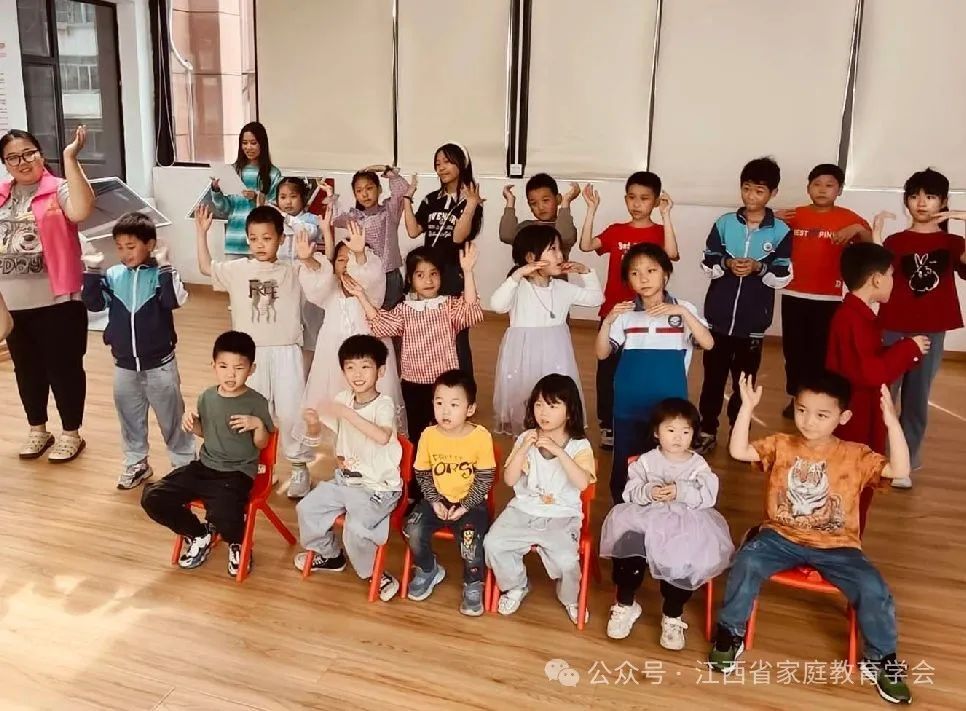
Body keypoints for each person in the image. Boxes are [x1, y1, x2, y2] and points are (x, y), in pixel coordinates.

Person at [710, 371, 914, 706]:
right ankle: (730, 633)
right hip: (780, 536)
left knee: (873, 587)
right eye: (802, 410)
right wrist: (746, 407)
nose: (809, 421)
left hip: (838, 546)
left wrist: (892, 424)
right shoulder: (781, 444)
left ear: (843, 417)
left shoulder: (856, 454)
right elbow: (739, 451)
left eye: (822, 415)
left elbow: (900, 471)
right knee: (746, 561)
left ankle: (881, 658)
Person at [195, 204, 325, 499]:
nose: (259, 244)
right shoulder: (237, 269)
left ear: (280, 238)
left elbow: (320, 272)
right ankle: (253, 465)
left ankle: (299, 467)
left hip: (286, 352)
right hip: (249, 357)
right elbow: (205, 267)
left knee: (291, 411)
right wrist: (201, 233)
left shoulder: (293, 269)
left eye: (267, 238)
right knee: (250, 411)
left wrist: (309, 249)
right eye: (253, 238)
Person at [599, 398, 733, 649]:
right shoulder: (646, 461)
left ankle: (672, 614)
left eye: (685, 431)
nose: (678, 437)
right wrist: (649, 491)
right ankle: (626, 603)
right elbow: (630, 492)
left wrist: (681, 491)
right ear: (656, 432)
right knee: (627, 547)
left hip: (685, 523)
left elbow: (708, 497)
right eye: (671, 430)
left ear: (694, 434)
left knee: (683, 559)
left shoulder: (698, 465)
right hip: (645, 517)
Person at [141, 331, 274, 578]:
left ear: (251, 369)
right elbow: (206, 432)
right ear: (213, 365)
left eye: (239, 368)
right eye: (223, 366)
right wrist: (194, 425)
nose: (231, 374)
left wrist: (257, 425)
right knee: (153, 496)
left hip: (237, 472)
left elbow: (262, 443)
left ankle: (237, 542)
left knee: (223, 513)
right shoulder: (207, 397)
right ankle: (198, 534)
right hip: (204, 467)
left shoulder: (257, 402)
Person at [0, 126, 94, 462]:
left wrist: (71, 157)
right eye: (13, 157)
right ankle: (37, 428)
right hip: (13, 303)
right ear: (5, 163)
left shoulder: (59, 189)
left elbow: (81, 210)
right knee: (26, 370)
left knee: (64, 369)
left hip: (57, 301)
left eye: (28, 153)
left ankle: (71, 433)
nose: (22, 161)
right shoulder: (1, 196)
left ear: (40, 153)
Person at [81, 212, 195, 489]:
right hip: (124, 365)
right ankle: (137, 463)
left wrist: (165, 265)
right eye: (120, 247)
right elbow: (94, 304)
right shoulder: (113, 275)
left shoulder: (163, 275)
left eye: (131, 247)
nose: (124, 253)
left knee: (171, 418)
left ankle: (184, 465)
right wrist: (92, 271)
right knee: (130, 418)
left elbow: (172, 301)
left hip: (161, 365)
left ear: (150, 244)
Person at [596, 243, 714, 504]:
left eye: (651, 270)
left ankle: (662, 512)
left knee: (666, 461)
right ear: (628, 280)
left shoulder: (683, 308)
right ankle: (624, 509)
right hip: (628, 404)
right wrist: (608, 321)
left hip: (670, 408)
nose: (644, 278)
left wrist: (682, 313)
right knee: (626, 462)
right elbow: (602, 353)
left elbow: (708, 343)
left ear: (666, 274)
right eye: (635, 273)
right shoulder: (625, 313)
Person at [293, 335, 403, 602]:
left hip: (378, 488)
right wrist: (312, 424)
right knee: (307, 509)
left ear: (381, 371)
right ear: (343, 372)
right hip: (346, 481)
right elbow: (320, 437)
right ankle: (331, 555)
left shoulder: (384, 404)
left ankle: (376, 574)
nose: (357, 374)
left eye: (365, 366)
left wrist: (346, 413)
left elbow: (382, 436)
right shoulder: (343, 398)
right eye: (350, 367)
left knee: (355, 530)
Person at [696, 157, 792, 454]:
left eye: (759, 191)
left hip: (752, 325)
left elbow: (782, 275)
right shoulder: (724, 223)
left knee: (744, 383)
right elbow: (708, 261)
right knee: (712, 381)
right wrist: (726, 263)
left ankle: (739, 433)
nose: (751, 196)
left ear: (773, 193)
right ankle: (707, 430)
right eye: (747, 188)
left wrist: (758, 268)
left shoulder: (780, 231)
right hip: (718, 320)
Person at [876, 168, 966, 484]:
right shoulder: (895, 241)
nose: (922, 203)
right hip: (892, 326)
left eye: (930, 196)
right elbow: (879, 277)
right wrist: (876, 237)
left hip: (932, 330)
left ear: (943, 201)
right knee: (883, 392)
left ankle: (906, 461)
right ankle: (875, 456)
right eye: (914, 196)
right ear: (906, 201)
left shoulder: (952, 242)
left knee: (917, 398)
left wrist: (961, 217)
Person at [485, 374, 596, 626]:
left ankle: (570, 597)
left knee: (567, 561)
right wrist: (523, 448)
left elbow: (582, 483)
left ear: (569, 412)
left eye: (552, 405)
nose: (543, 412)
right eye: (538, 404)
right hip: (523, 509)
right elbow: (510, 480)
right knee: (493, 543)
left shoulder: (580, 446)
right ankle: (516, 585)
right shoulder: (526, 438)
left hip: (562, 514)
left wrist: (559, 451)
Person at [579, 172, 678, 449]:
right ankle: (608, 424)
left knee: (638, 369)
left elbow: (671, 254)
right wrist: (591, 209)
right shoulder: (616, 231)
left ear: (655, 201)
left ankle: (644, 421)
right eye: (632, 197)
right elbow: (586, 245)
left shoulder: (659, 232)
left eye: (644, 198)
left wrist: (666, 216)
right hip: (614, 311)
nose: (637, 204)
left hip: (647, 315)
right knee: (607, 371)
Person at [350, 243, 483, 450]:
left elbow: (470, 313)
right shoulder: (404, 309)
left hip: (446, 384)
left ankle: (447, 465)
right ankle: (418, 468)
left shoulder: (449, 305)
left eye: (433, 274)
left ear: (441, 276)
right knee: (417, 433)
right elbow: (382, 325)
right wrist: (361, 296)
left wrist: (468, 272)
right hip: (413, 384)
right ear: (410, 280)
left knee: (448, 429)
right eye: (420, 275)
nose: (428, 280)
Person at [775, 164, 873, 418]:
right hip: (794, 293)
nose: (822, 189)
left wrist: (858, 230)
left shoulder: (849, 218)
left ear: (839, 190)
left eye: (829, 185)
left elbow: (870, 248)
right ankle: (797, 399)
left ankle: (821, 402)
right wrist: (772, 218)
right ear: (808, 188)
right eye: (817, 184)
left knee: (821, 352)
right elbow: (766, 235)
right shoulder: (794, 215)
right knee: (794, 351)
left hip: (829, 297)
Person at [490, 224, 602, 435]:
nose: (560, 255)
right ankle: (526, 437)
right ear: (531, 257)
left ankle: (555, 432)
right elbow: (497, 305)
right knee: (526, 394)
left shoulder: (561, 288)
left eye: (560, 249)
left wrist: (586, 272)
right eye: (553, 249)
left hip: (556, 352)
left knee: (556, 395)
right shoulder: (518, 287)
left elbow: (596, 299)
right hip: (524, 353)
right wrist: (517, 275)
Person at [403, 369, 496, 616]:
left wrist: (464, 506)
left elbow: (485, 478)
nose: (445, 411)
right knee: (412, 529)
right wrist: (434, 501)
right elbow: (422, 472)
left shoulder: (480, 437)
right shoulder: (428, 435)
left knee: (470, 543)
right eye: (439, 403)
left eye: (454, 405)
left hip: (470, 503)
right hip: (437, 499)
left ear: (470, 409)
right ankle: (428, 568)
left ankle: (473, 582)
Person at [826, 242, 926, 470]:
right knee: (856, 468)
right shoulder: (850, 319)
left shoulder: (858, 316)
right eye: (891, 275)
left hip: (862, 406)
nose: (893, 281)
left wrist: (907, 348)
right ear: (877, 280)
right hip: (856, 411)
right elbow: (869, 372)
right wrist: (908, 349)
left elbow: (868, 358)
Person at [303, 219, 406, 434]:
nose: (346, 264)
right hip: (333, 356)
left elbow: (370, 275)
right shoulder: (329, 290)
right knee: (336, 401)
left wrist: (360, 255)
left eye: (352, 259)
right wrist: (309, 260)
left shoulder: (370, 291)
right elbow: (316, 281)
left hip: (367, 354)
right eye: (341, 260)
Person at [403, 143, 483, 375]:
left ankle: (463, 385)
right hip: (430, 272)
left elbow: (458, 237)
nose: (441, 168)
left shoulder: (472, 200)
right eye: (437, 164)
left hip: (453, 273)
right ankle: (435, 379)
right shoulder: (431, 200)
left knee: (456, 333)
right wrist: (407, 199)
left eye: (447, 162)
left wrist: (470, 206)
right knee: (430, 330)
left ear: (461, 164)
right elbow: (413, 231)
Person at [329, 165, 411, 309]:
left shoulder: (389, 211)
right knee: (366, 312)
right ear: (355, 195)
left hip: (389, 272)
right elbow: (335, 219)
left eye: (369, 188)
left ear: (379, 189)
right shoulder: (355, 217)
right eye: (359, 191)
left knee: (392, 314)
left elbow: (404, 191)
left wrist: (385, 169)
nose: (365, 194)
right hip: (365, 272)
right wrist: (331, 196)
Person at [209, 122, 283, 258]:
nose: (248, 147)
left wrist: (256, 198)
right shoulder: (233, 171)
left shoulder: (273, 174)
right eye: (244, 143)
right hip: (235, 240)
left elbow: (276, 210)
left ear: (262, 144)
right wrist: (216, 190)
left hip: (262, 243)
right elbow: (225, 208)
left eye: (253, 143)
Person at [273, 176, 324, 370]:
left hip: (306, 282)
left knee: (309, 327)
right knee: (285, 326)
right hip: (282, 281)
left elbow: (308, 232)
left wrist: (287, 219)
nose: (287, 202)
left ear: (303, 198)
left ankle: (307, 371)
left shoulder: (310, 219)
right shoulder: (275, 221)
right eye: (282, 197)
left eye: (293, 196)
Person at [499, 173, 579, 258]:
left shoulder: (564, 226)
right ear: (530, 206)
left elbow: (566, 238)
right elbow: (507, 236)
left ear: (558, 199)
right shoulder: (527, 226)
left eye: (545, 200)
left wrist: (566, 202)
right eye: (534, 203)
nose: (540, 207)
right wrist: (510, 201)